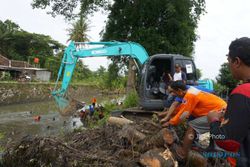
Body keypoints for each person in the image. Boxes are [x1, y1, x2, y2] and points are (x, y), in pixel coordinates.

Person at [208, 37, 250, 167]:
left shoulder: (243, 92)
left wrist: (213, 120)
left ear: (236, 61)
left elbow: (226, 141)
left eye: (228, 61)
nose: (228, 65)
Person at [165, 81, 227, 161]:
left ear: (179, 90)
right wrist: (169, 116)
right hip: (221, 111)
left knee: (192, 126)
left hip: (219, 113)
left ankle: (183, 153)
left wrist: (170, 122)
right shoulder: (190, 91)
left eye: (173, 92)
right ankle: (211, 149)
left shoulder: (190, 95)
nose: (172, 94)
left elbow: (183, 115)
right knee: (202, 125)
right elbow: (181, 108)